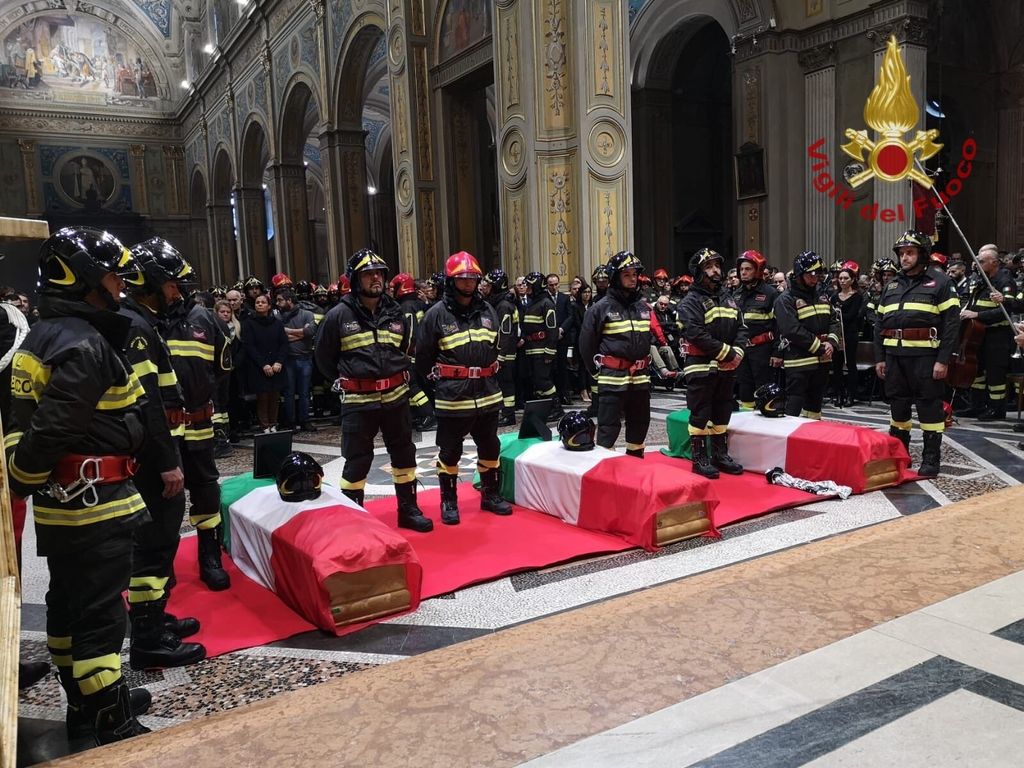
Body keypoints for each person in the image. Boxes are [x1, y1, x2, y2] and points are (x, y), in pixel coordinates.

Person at [8, 227, 150, 747]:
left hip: (63, 507)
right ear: (83, 279)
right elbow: (51, 429)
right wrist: (23, 478)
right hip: (96, 506)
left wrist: (28, 482)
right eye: (112, 275)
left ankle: (83, 706)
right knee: (101, 618)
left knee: (68, 605)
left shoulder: (43, 335)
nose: (120, 285)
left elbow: (22, 421)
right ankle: (114, 722)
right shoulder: (86, 343)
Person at [120, 245, 207, 670]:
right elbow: (147, 402)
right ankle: (149, 640)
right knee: (154, 547)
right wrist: (165, 461)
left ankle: (153, 620)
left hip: (159, 448)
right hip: (154, 458)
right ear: (152, 283)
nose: (177, 294)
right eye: (172, 284)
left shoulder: (142, 323)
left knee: (158, 546)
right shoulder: (137, 328)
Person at [131, 238, 233, 591]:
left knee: (206, 491)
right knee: (162, 498)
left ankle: (210, 557)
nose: (177, 292)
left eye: (179, 286)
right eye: (171, 284)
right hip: (160, 432)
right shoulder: (141, 322)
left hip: (199, 423)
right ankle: (162, 565)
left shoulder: (202, 318)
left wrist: (200, 396)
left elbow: (221, 367)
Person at [314, 249, 432, 532]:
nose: (376, 278)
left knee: (404, 454)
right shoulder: (338, 316)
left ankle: (408, 509)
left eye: (379, 273)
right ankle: (354, 520)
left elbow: (403, 350)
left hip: (395, 398)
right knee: (357, 460)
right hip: (358, 401)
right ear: (355, 280)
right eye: (369, 274)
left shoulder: (396, 312)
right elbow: (323, 359)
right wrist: (352, 379)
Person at [416, 252, 512, 524]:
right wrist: (439, 383)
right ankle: (449, 501)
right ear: (451, 280)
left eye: (472, 278)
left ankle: (490, 495)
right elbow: (423, 356)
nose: (469, 283)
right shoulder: (436, 314)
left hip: (487, 392)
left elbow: (494, 346)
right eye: (463, 278)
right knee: (450, 451)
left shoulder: (488, 310)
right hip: (453, 397)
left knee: (490, 446)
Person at [874, 231, 959, 476]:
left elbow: (952, 325)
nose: (904, 258)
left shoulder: (941, 282)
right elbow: (879, 324)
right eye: (901, 253)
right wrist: (880, 357)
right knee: (898, 408)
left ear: (922, 254)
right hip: (894, 358)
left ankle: (931, 461)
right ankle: (901, 456)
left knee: (929, 409)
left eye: (910, 252)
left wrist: (943, 360)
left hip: (926, 359)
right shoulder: (891, 285)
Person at [677, 248, 747, 478]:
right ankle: (699, 458)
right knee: (700, 411)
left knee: (723, 409)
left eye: (717, 265)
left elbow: (741, 328)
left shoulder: (729, 299)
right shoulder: (690, 302)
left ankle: (720, 454)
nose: (715, 270)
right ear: (698, 273)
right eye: (709, 266)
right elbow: (696, 334)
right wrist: (728, 353)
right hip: (701, 366)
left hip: (726, 368)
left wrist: (737, 351)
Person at [579, 251, 653, 457]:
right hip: (612, 378)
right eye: (627, 274)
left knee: (640, 424)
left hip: (640, 379)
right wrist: (596, 373)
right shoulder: (600, 308)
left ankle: (635, 462)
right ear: (615, 277)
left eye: (635, 274)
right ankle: (606, 473)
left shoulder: (643, 306)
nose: (633, 279)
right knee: (608, 427)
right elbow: (586, 345)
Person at [774, 251, 841, 418]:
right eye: (812, 274)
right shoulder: (785, 299)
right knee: (794, 406)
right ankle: (788, 441)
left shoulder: (822, 296)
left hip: (823, 361)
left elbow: (834, 321)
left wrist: (831, 344)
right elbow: (792, 330)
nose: (816, 278)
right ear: (798, 274)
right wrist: (820, 347)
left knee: (815, 405)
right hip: (799, 362)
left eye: (819, 274)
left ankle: (811, 441)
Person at [958, 244, 1017, 421]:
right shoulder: (981, 280)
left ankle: (996, 409)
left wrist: (977, 314)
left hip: (997, 335)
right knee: (977, 370)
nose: (977, 263)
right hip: (978, 334)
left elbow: (1006, 310)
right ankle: (976, 405)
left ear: (994, 262)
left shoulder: (1004, 281)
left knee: (995, 373)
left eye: (981, 261)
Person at [733, 249, 779, 410]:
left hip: (763, 350)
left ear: (758, 271)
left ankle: (765, 424)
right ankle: (747, 423)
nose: (743, 273)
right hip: (742, 350)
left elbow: (778, 325)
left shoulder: (771, 294)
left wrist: (777, 352)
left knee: (763, 388)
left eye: (748, 269)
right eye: (741, 269)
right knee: (744, 387)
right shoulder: (736, 294)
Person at [392, 272, 436, 431]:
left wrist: (405, 353)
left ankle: (428, 416)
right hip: (421, 352)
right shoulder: (416, 304)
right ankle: (418, 415)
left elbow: (410, 333)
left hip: (411, 354)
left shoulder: (406, 306)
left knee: (412, 386)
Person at [521, 271, 563, 420]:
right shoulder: (532, 303)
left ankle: (556, 408)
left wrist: (550, 351)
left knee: (543, 380)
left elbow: (552, 329)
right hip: (531, 350)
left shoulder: (546, 304)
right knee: (536, 381)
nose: (526, 287)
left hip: (542, 350)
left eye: (530, 285)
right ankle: (544, 409)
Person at [243, 293, 288, 432]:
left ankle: (274, 424)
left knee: (275, 396)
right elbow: (250, 346)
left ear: (269, 306)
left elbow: (284, 344)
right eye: (257, 302)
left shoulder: (277, 323)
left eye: (263, 302)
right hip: (259, 367)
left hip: (276, 366)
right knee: (262, 397)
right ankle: (265, 425)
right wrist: (263, 364)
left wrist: (279, 361)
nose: (260, 304)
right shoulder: (249, 323)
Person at [275, 287, 317, 431]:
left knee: (305, 392)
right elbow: (280, 337)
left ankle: (305, 420)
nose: (278, 303)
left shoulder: (307, 314)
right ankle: (291, 422)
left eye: (280, 300)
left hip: (305, 358)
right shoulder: (278, 317)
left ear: (289, 301)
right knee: (289, 393)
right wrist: (301, 333)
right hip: (288, 360)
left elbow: (310, 332)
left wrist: (290, 332)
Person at [482, 268, 520, 426]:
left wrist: (500, 355)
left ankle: (508, 414)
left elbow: (504, 333)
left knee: (505, 383)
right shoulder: (501, 302)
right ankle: (505, 412)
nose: (486, 287)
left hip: (505, 352)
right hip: (504, 351)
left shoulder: (503, 305)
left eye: (489, 285)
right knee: (503, 383)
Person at [829, 265, 865, 406]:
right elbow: (831, 316)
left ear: (852, 280)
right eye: (840, 278)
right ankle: (839, 395)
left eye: (846, 278)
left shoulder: (857, 297)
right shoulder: (834, 297)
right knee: (836, 366)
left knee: (850, 365)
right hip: (837, 335)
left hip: (850, 334)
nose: (842, 281)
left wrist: (838, 312)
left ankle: (851, 395)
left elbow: (852, 316)